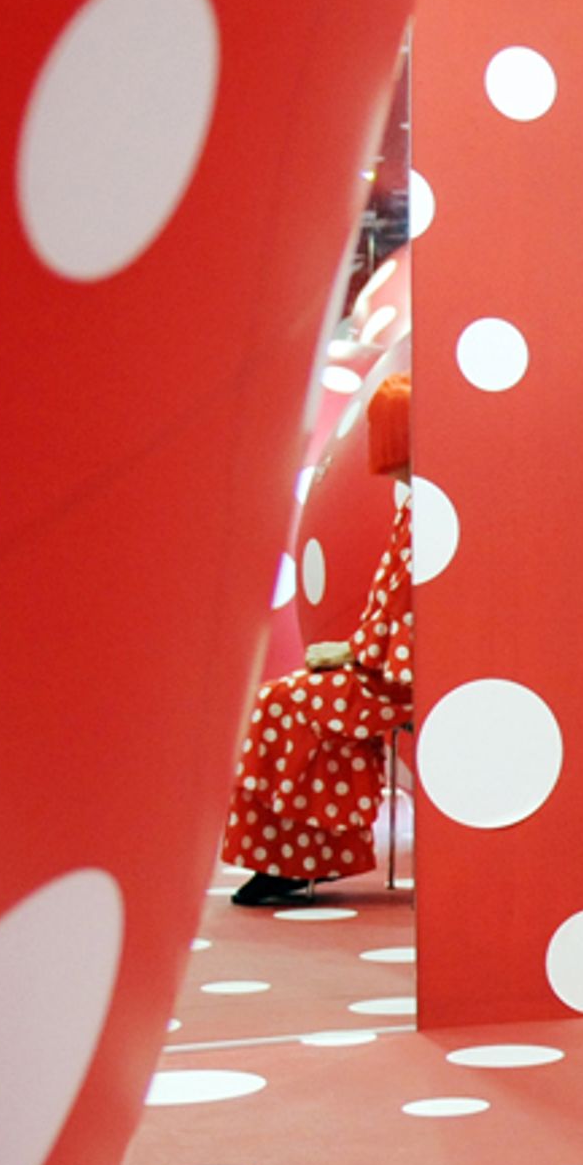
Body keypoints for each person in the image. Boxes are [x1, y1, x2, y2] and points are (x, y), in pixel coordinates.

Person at [224, 373, 416, 906]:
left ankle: (302, 858)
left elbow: (407, 623)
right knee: (283, 700)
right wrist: (355, 653)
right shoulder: (415, 512)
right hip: (386, 669)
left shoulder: (427, 516)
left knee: (285, 705)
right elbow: (393, 616)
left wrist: (354, 654)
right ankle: (300, 856)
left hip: (400, 678)